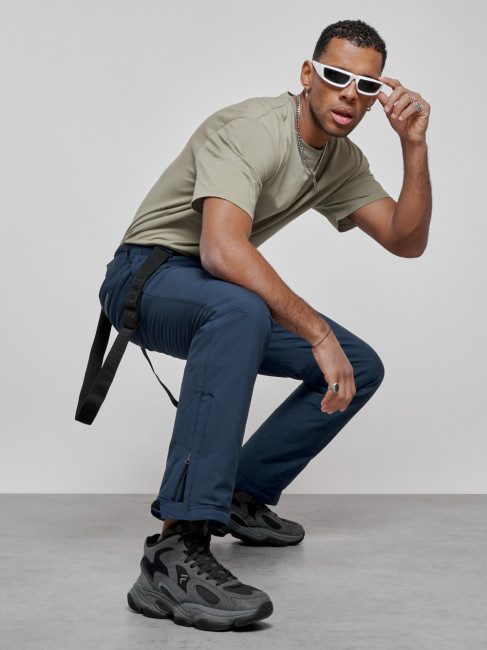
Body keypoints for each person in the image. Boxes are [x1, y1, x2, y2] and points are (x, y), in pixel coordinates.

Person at [97, 19, 431, 631]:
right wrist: (317, 333)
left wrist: (414, 146)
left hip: (213, 288)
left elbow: (406, 240)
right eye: (336, 75)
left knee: (358, 367)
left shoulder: (340, 159)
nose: (349, 93)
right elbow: (222, 249)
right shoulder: (253, 128)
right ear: (308, 74)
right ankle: (175, 550)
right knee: (242, 308)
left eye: (366, 84)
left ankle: (239, 495)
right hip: (145, 277)